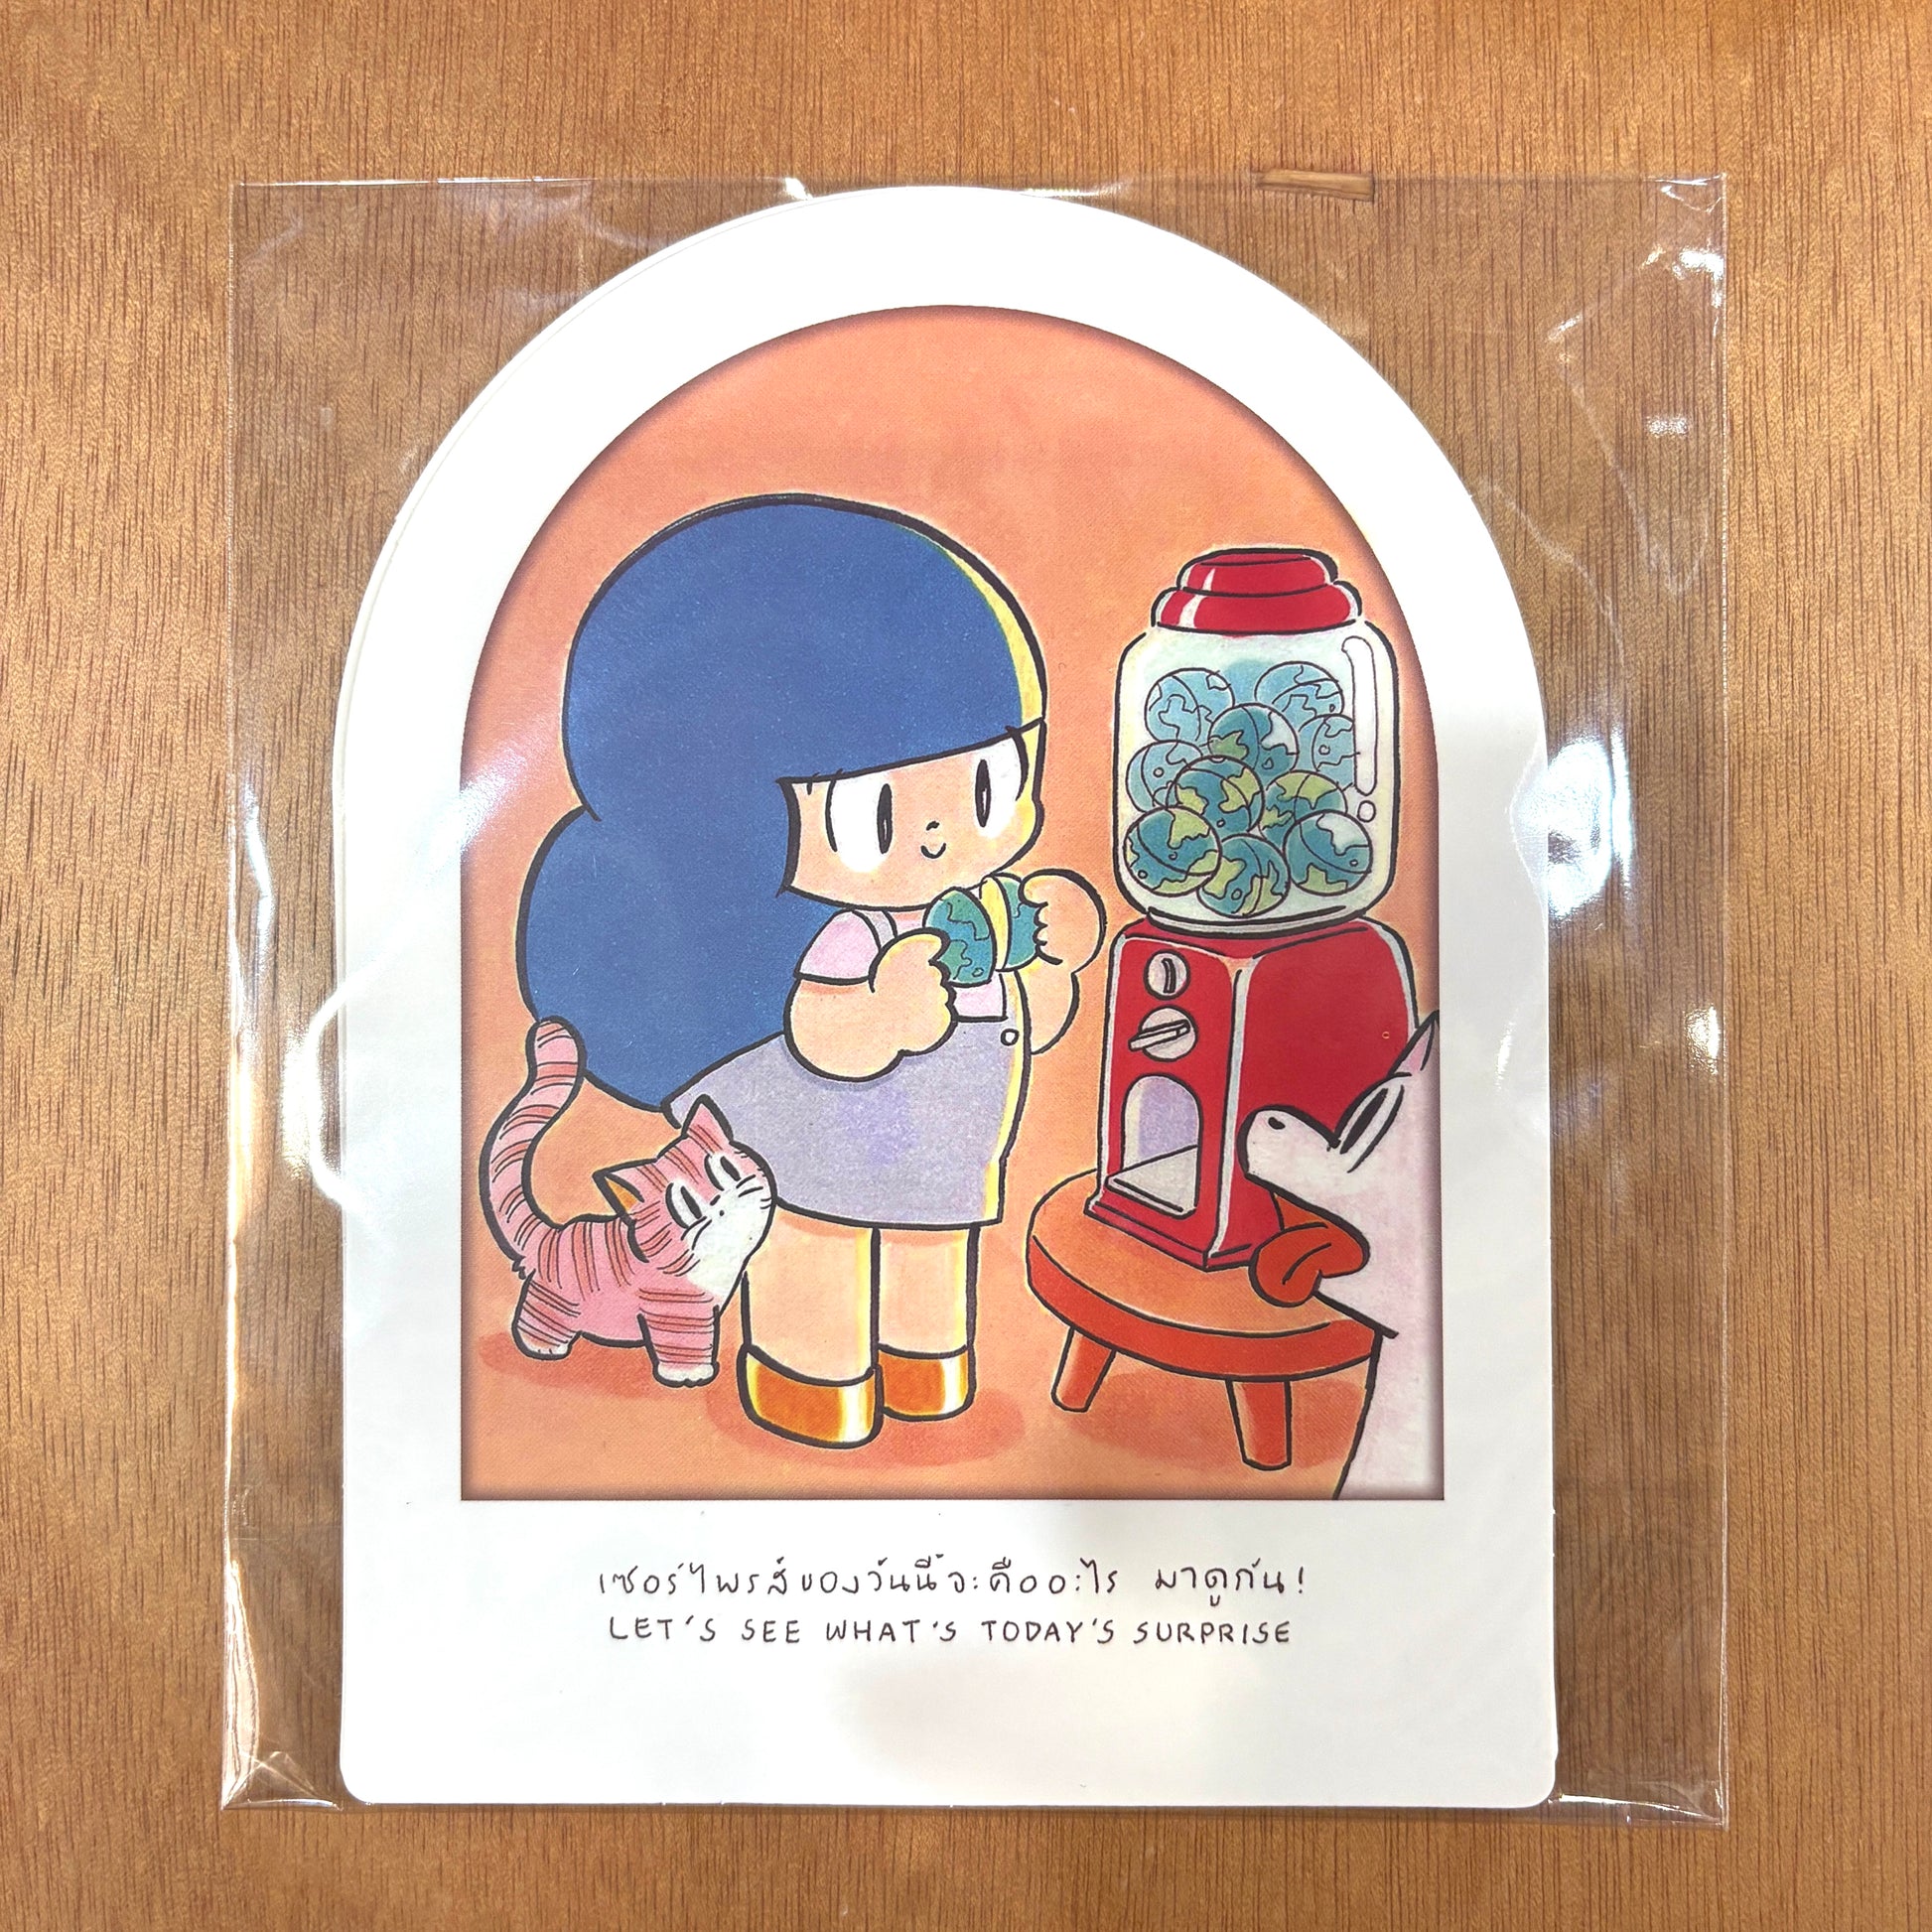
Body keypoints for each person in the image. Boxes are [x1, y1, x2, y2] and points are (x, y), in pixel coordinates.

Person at [519, 494, 1103, 1447]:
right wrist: (887, 1012)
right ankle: (810, 1380)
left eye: (987, 787)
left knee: (933, 1252)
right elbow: (831, 1039)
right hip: (817, 1140)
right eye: (881, 814)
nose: (941, 837)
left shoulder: (982, 911)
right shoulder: (843, 937)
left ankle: (928, 1368)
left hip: (943, 1160)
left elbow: (1027, 1016)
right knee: (818, 1243)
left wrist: (1053, 963)